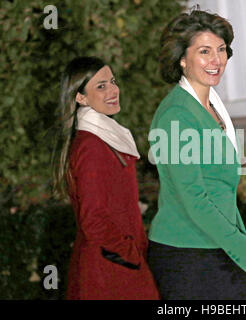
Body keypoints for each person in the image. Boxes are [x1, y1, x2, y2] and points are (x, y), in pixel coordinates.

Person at [147, 10, 246, 300]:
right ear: (182, 59)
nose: (216, 60)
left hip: (215, 247)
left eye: (221, 50)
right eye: (204, 51)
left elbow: (220, 188)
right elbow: (194, 199)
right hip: (187, 255)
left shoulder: (211, 106)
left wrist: (240, 243)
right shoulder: (177, 115)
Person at [53, 56, 160, 300]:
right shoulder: (91, 145)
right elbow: (94, 221)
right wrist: (131, 254)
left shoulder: (105, 138)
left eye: (112, 82)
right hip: (110, 272)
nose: (113, 90)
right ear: (80, 97)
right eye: (101, 86)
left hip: (119, 266)